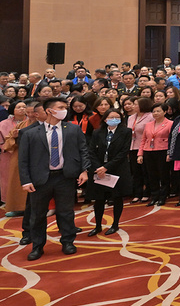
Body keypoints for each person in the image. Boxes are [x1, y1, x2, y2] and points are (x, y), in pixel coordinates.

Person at [18, 98, 89, 260]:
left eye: (65, 107)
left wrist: (84, 170)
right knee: (38, 215)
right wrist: (25, 180)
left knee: (66, 212)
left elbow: (83, 150)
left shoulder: (73, 129)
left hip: (65, 177)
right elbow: (23, 160)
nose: (65, 110)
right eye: (61, 107)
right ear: (49, 111)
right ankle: (37, 246)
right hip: (40, 179)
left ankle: (68, 242)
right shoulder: (29, 133)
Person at [87, 106, 132, 236]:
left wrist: (107, 167)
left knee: (117, 197)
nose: (114, 119)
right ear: (105, 119)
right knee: (99, 199)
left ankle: (115, 224)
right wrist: (99, 167)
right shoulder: (97, 132)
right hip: (99, 170)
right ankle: (98, 225)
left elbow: (123, 152)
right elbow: (91, 151)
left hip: (117, 168)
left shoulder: (126, 132)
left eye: (117, 117)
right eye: (111, 117)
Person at [1, 101, 33, 224]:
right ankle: (18, 207)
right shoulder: (15, 124)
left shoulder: (40, 123)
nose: (22, 110)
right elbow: (7, 141)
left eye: (24, 107)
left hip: (36, 156)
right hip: (17, 154)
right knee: (16, 181)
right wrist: (14, 137)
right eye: (19, 107)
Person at [137, 103, 172, 206]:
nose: (155, 113)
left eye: (158, 111)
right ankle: (154, 196)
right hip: (149, 151)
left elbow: (172, 140)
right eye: (154, 111)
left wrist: (170, 153)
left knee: (163, 175)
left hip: (163, 151)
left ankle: (163, 196)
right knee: (151, 175)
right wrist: (140, 154)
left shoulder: (170, 123)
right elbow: (143, 140)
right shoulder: (148, 125)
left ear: (164, 112)